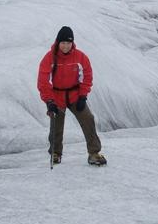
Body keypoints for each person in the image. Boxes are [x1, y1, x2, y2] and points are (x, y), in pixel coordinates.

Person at [37, 26, 107, 166]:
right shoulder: (49, 58)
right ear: (58, 42)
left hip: (75, 95)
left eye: (68, 43)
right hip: (57, 96)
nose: (65, 46)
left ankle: (94, 153)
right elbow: (43, 81)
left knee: (88, 118)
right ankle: (55, 154)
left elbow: (87, 76)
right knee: (56, 123)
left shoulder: (80, 57)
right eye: (63, 43)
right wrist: (49, 101)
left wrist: (83, 96)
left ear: (72, 43)